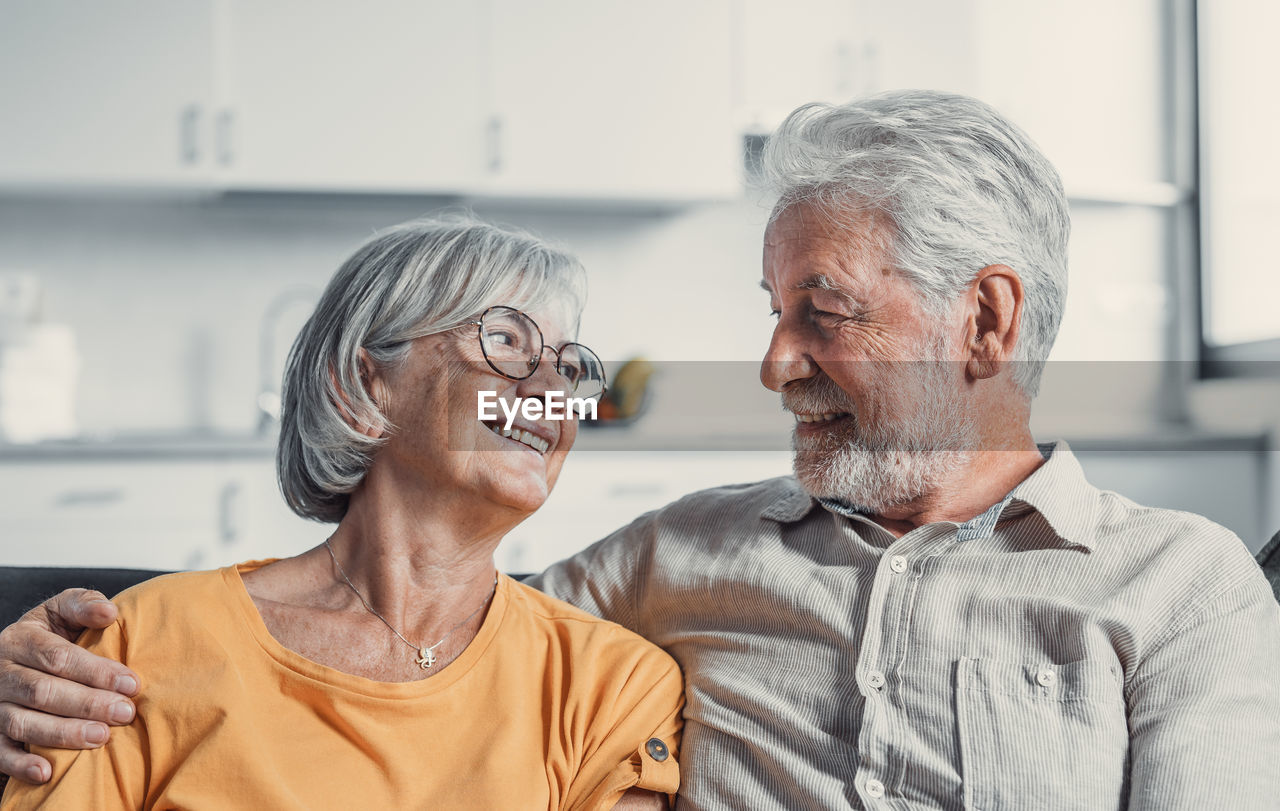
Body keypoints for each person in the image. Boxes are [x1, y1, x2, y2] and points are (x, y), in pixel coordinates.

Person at [3, 90, 1279, 809]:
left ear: (983, 321)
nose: (774, 366)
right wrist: (33, 663)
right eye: (770, 316)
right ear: (365, 379)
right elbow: (399, 640)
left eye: (818, 315)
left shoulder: (1176, 584)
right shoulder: (671, 561)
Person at [0, 216, 683, 809]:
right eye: (506, 341)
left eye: (567, 368)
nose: (548, 391)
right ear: (364, 385)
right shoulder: (143, 642)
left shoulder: (610, 682)